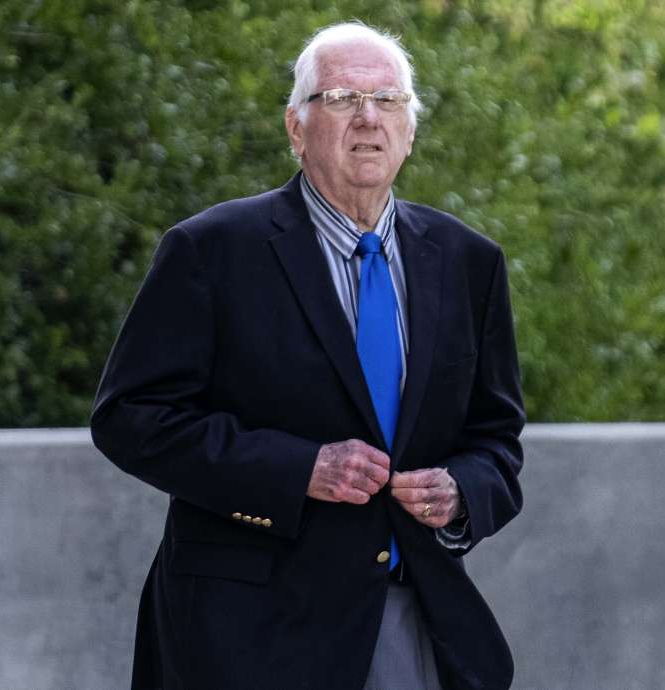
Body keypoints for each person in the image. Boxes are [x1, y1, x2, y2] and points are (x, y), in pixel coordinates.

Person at [91, 21, 524, 690]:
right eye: (343, 98)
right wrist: (300, 469)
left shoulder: (468, 262)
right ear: (296, 127)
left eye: (388, 101)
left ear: (410, 130)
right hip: (245, 632)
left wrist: (462, 492)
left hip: (411, 616)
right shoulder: (211, 251)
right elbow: (130, 417)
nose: (368, 118)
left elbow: (496, 439)